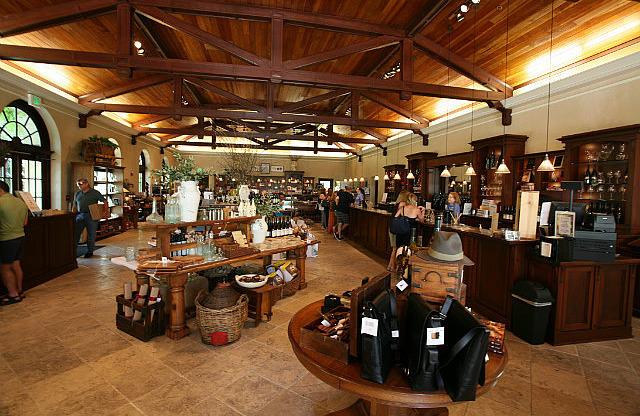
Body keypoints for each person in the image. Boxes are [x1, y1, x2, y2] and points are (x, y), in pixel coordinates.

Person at [0, 181, 29, 305]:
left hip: (7, 238)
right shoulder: (20, 202)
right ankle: (19, 290)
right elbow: (25, 223)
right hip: (20, 237)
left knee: (5, 268)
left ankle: (13, 295)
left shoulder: (1, 202)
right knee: (16, 264)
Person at [388, 192, 425, 271]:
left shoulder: (403, 208)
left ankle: (398, 266)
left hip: (400, 231)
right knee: (408, 249)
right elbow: (421, 219)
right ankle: (406, 269)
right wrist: (424, 210)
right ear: (414, 200)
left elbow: (395, 218)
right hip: (410, 232)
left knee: (399, 249)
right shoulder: (417, 209)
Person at [73, 178, 108, 258]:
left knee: (91, 234)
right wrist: (73, 214)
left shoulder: (94, 193)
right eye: (78, 184)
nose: (80, 186)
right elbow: (74, 205)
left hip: (91, 215)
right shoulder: (77, 193)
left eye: (81, 183)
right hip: (80, 215)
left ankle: (90, 251)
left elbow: (105, 201)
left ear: (86, 184)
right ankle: (73, 251)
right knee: (76, 234)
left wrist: (105, 212)